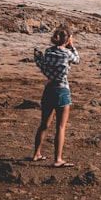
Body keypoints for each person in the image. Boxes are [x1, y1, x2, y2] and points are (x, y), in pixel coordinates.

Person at [32, 26, 80, 167]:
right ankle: (58, 159)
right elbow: (77, 60)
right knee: (60, 127)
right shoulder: (67, 54)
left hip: (49, 89)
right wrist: (72, 46)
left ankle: (36, 153)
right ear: (67, 40)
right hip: (62, 90)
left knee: (44, 125)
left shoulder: (49, 51)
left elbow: (44, 65)